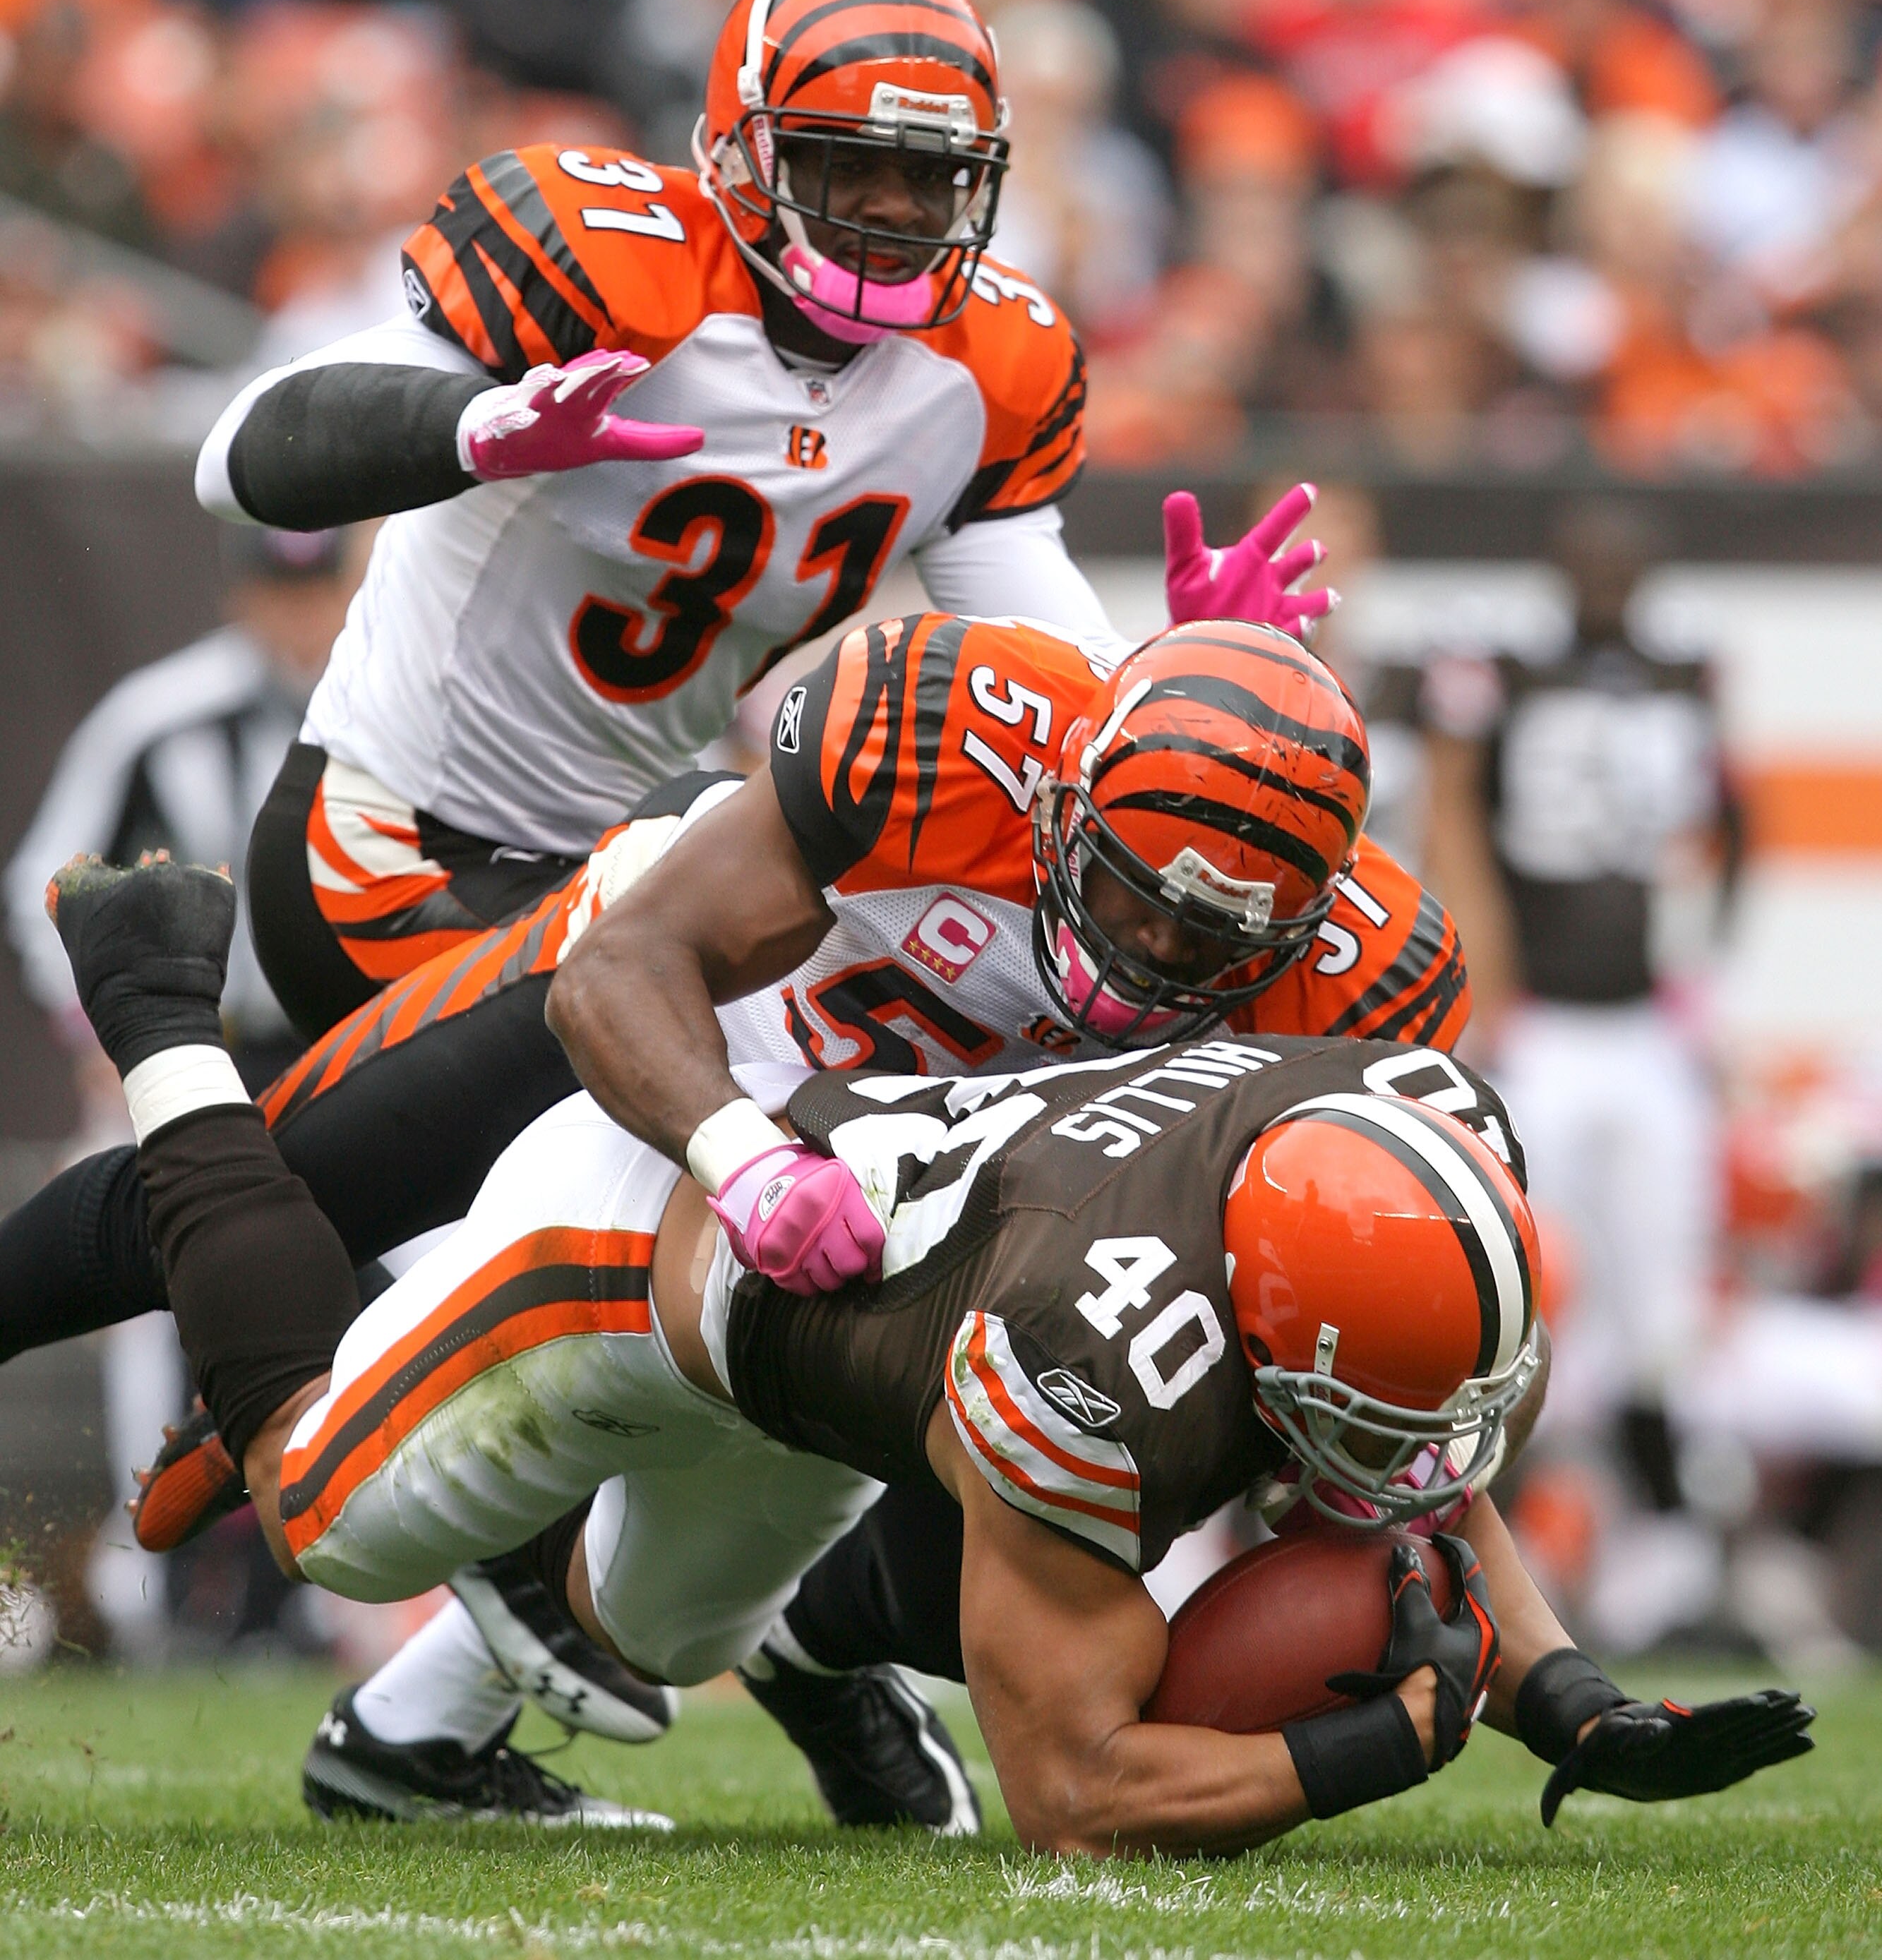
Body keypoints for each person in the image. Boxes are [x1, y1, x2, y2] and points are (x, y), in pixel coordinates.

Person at [46, 849, 1816, 1851]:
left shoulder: (1399, 1119)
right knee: (320, 1511)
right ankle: (163, 1020)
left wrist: (1572, 1705)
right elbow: (1073, 1797)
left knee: (665, 1633)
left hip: (838, 1347)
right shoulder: (1085, 1371)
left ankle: (518, 1676)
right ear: (1259, 1334)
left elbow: (1418, 1459)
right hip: (627, 1255)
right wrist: (1377, 1747)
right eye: (1332, 1409)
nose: (1411, 1463)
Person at [27, 611, 1449, 1827]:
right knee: (293, 1187)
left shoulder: (1353, 983)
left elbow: (1358, 1298)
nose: (1151, 962)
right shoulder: (946, 733)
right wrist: (738, 1151)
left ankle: (526, 1702)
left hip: (883, 1211)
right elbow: (622, 977)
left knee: (776, 1595)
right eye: (1137, 899)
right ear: (1070, 799)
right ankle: (165, 1051)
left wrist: (1540, 1673)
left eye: (1209, 944)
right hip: (690, 1020)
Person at [195, 0, 1117, 1046]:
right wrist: (478, 431)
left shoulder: (987, 372)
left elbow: (1062, 676)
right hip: (386, 850)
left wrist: (1187, 665)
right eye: (845, 164)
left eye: (929, 175)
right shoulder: (614, 266)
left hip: (613, 870)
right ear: (742, 156)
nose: (894, 208)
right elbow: (234, 460)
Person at [3, 519, 364, 1659]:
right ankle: (150, 1581)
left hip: (341, 1044)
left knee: (361, 1275)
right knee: (168, 1291)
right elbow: (44, 882)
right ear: (240, 595)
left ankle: (324, 1568)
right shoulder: (162, 717)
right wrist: (100, 1025)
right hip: (195, 1044)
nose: (298, 624)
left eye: (317, 596)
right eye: (278, 595)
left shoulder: (384, 713)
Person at [1421, 496, 1744, 1649]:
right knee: (1525, 1295)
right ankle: (1504, 1557)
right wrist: (1489, 988)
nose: (1608, 572)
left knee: (1661, 1298)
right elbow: (1454, 802)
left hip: (1644, 1029)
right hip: (1545, 1025)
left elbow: (1730, 831)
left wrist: (1704, 978)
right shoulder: (1503, 664)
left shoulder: (1682, 672)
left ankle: (1664, 1560)